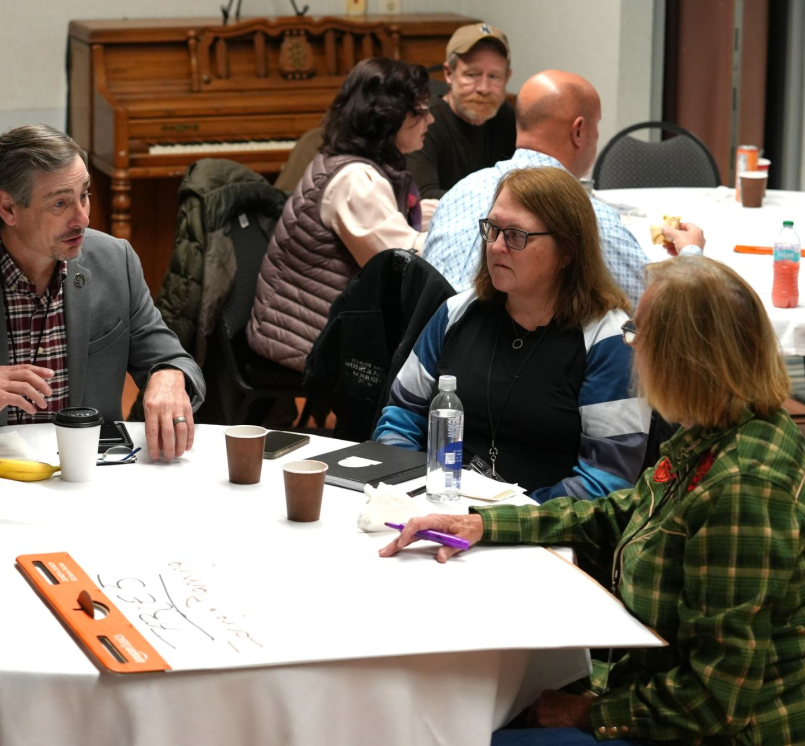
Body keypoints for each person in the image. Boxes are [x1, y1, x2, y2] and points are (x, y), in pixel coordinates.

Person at [381, 256, 805, 745]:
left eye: (638, 335)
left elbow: (714, 702)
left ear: (684, 358)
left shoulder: (742, 487)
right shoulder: (725, 428)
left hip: (706, 731)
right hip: (648, 686)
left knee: (466, 730)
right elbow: (626, 511)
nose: (631, 348)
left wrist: (584, 713)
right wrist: (484, 524)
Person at [374, 167, 649, 502]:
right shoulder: (455, 313)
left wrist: (504, 521)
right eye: (492, 229)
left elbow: (607, 480)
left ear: (567, 251)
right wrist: (412, 494)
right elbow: (400, 421)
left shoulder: (607, 340)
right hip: (441, 509)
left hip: (546, 532)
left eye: (516, 235)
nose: (496, 247)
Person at [0, 124, 205, 462]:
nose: (82, 217)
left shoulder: (113, 260)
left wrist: (170, 375)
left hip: (93, 473)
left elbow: (169, 357)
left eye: (85, 194)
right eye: (60, 203)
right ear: (8, 209)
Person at [421, 70, 705, 309]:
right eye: (597, 127)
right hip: (506, 367)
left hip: (431, 357)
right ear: (579, 131)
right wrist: (691, 255)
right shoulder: (584, 216)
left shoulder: (461, 190)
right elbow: (665, 309)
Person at [247, 57, 437, 373]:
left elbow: (400, 218)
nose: (430, 120)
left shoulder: (346, 161)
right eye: (420, 111)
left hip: (299, 325)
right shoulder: (354, 181)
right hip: (305, 341)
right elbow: (402, 266)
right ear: (387, 119)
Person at [405, 22, 516, 199]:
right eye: (472, 75)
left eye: (494, 76)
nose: (484, 88)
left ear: (507, 77)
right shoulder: (427, 121)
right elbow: (424, 197)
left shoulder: (504, 115)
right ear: (449, 74)